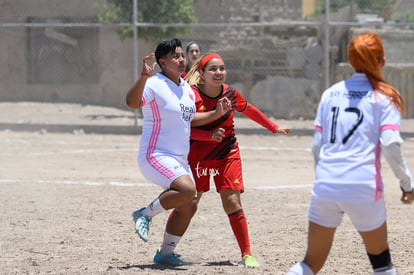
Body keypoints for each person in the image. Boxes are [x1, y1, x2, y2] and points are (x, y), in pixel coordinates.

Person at [287, 32, 414, 275]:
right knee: (382, 264)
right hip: (362, 185)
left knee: (310, 264)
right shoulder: (385, 97)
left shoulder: (330, 94)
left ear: (351, 61)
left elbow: (317, 145)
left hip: (326, 183)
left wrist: (327, 178)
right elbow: (389, 144)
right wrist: (407, 185)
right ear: (382, 61)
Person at [126, 39, 230, 266]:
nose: (182, 60)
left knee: (189, 203)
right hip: (155, 155)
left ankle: (165, 253)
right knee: (187, 189)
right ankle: (144, 214)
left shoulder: (185, 89)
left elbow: (190, 119)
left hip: (179, 159)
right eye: (176, 56)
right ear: (162, 62)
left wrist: (215, 114)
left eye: (183, 55)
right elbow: (132, 102)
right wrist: (143, 76)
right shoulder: (154, 83)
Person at [184, 53, 291, 268]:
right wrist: (207, 134)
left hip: (226, 152)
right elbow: (185, 127)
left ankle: (247, 254)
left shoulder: (231, 94)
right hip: (198, 155)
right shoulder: (190, 95)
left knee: (232, 201)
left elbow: (248, 109)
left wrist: (273, 127)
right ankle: (166, 249)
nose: (219, 73)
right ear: (202, 75)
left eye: (222, 68)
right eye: (213, 69)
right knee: (190, 204)